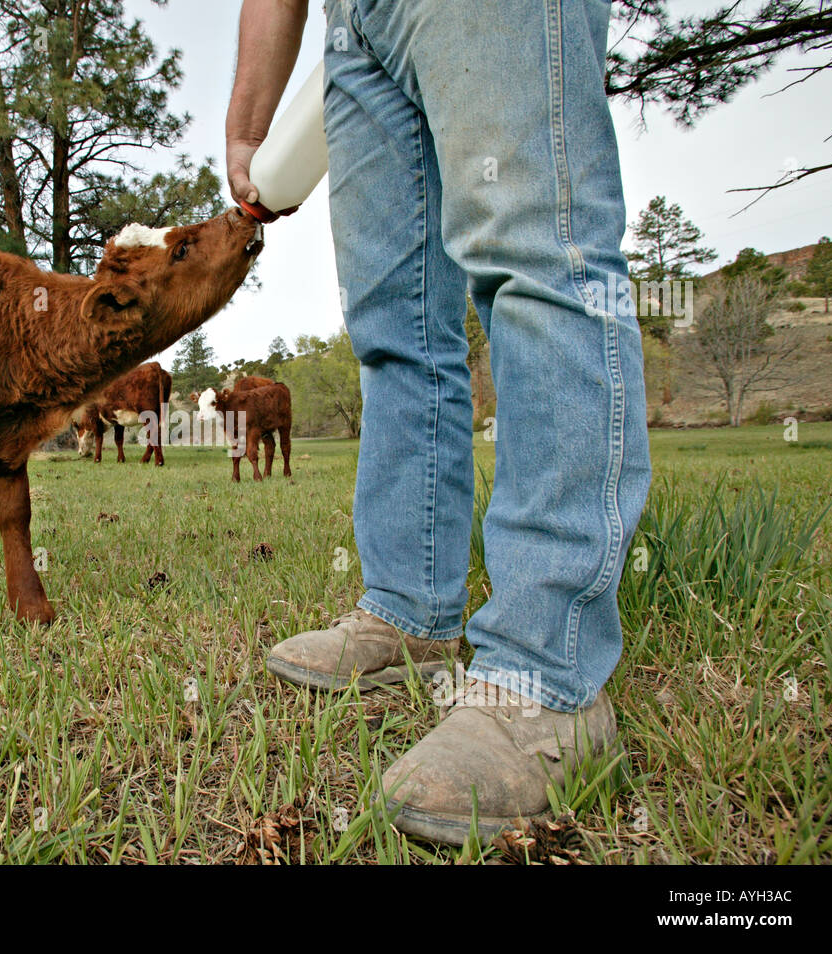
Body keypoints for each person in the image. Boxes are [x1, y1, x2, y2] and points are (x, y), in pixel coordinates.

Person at [226, 0, 652, 845]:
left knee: (533, 247)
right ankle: (410, 613)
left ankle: (545, 672)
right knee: (393, 325)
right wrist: (250, 127)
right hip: (352, 34)